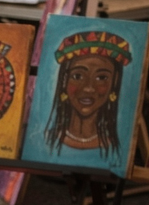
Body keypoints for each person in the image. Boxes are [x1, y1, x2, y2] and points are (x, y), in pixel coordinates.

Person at [45, 27, 132, 156]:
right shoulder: (44, 141)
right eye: (78, 76)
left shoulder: (117, 151)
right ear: (64, 79)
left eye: (101, 78)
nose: (88, 88)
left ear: (114, 82)